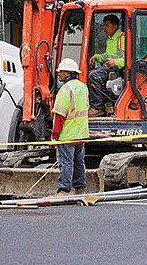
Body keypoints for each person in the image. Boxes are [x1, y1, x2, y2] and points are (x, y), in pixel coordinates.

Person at [51, 58, 90, 195]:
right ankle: (80, 188)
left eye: (61, 72)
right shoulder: (83, 87)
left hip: (68, 134)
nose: (59, 74)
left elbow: (60, 115)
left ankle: (64, 189)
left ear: (67, 73)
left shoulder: (65, 90)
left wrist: (55, 134)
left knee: (66, 162)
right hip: (81, 133)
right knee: (79, 163)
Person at [87, 14, 125, 117]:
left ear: (115, 26)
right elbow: (107, 55)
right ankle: (96, 104)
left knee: (93, 76)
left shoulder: (122, 38)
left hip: (118, 70)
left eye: (107, 25)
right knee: (89, 73)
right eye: (104, 25)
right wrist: (97, 56)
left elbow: (129, 58)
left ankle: (98, 107)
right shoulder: (110, 39)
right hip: (110, 68)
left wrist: (115, 62)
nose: (104, 28)